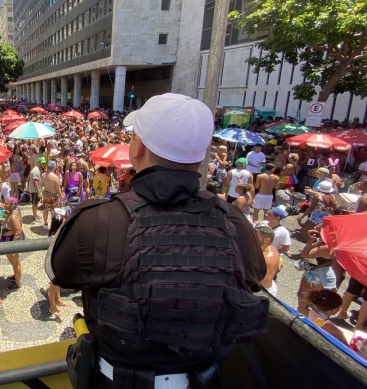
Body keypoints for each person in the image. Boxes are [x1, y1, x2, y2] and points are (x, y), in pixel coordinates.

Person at [47, 93, 267, 388]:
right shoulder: (235, 222)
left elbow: (59, 273)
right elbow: (254, 278)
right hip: (206, 380)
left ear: (137, 147)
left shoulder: (100, 220)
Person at [255, 225, 280, 296]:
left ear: (266, 240)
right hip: (271, 287)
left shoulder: (262, 257)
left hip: (262, 291)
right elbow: (280, 266)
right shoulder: (274, 249)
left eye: (257, 237)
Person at [41, 161, 61, 228]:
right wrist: (61, 200)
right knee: (53, 211)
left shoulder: (43, 175)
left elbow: (41, 185)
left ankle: (45, 224)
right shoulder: (55, 177)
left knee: (45, 209)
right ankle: (53, 226)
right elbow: (58, 190)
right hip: (53, 195)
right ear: (54, 167)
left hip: (46, 194)